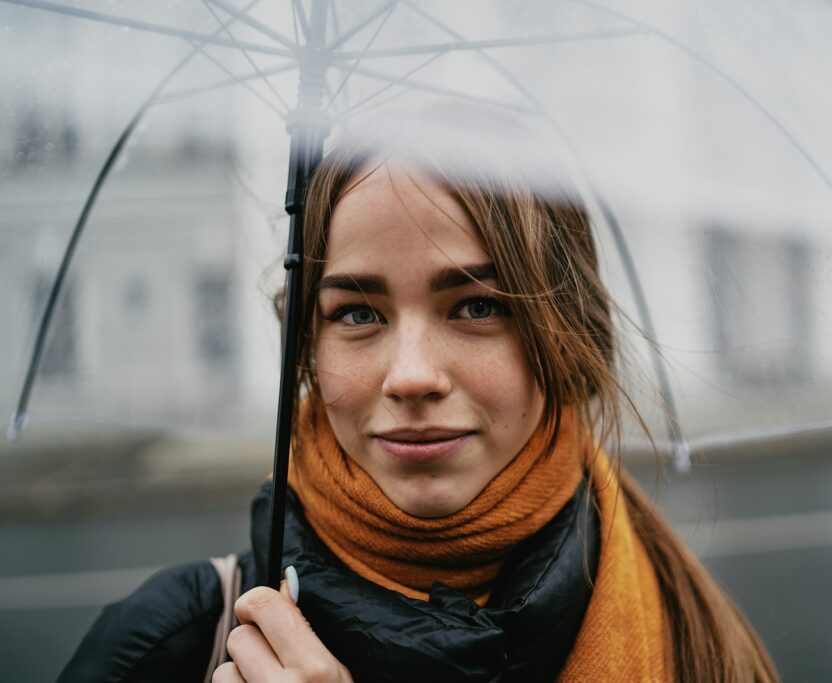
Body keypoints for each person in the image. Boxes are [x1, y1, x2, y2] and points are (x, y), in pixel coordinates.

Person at [58, 135, 779, 682]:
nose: (410, 376)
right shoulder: (169, 644)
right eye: (358, 313)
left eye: (474, 305)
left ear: (565, 335)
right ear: (308, 343)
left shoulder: (701, 637)